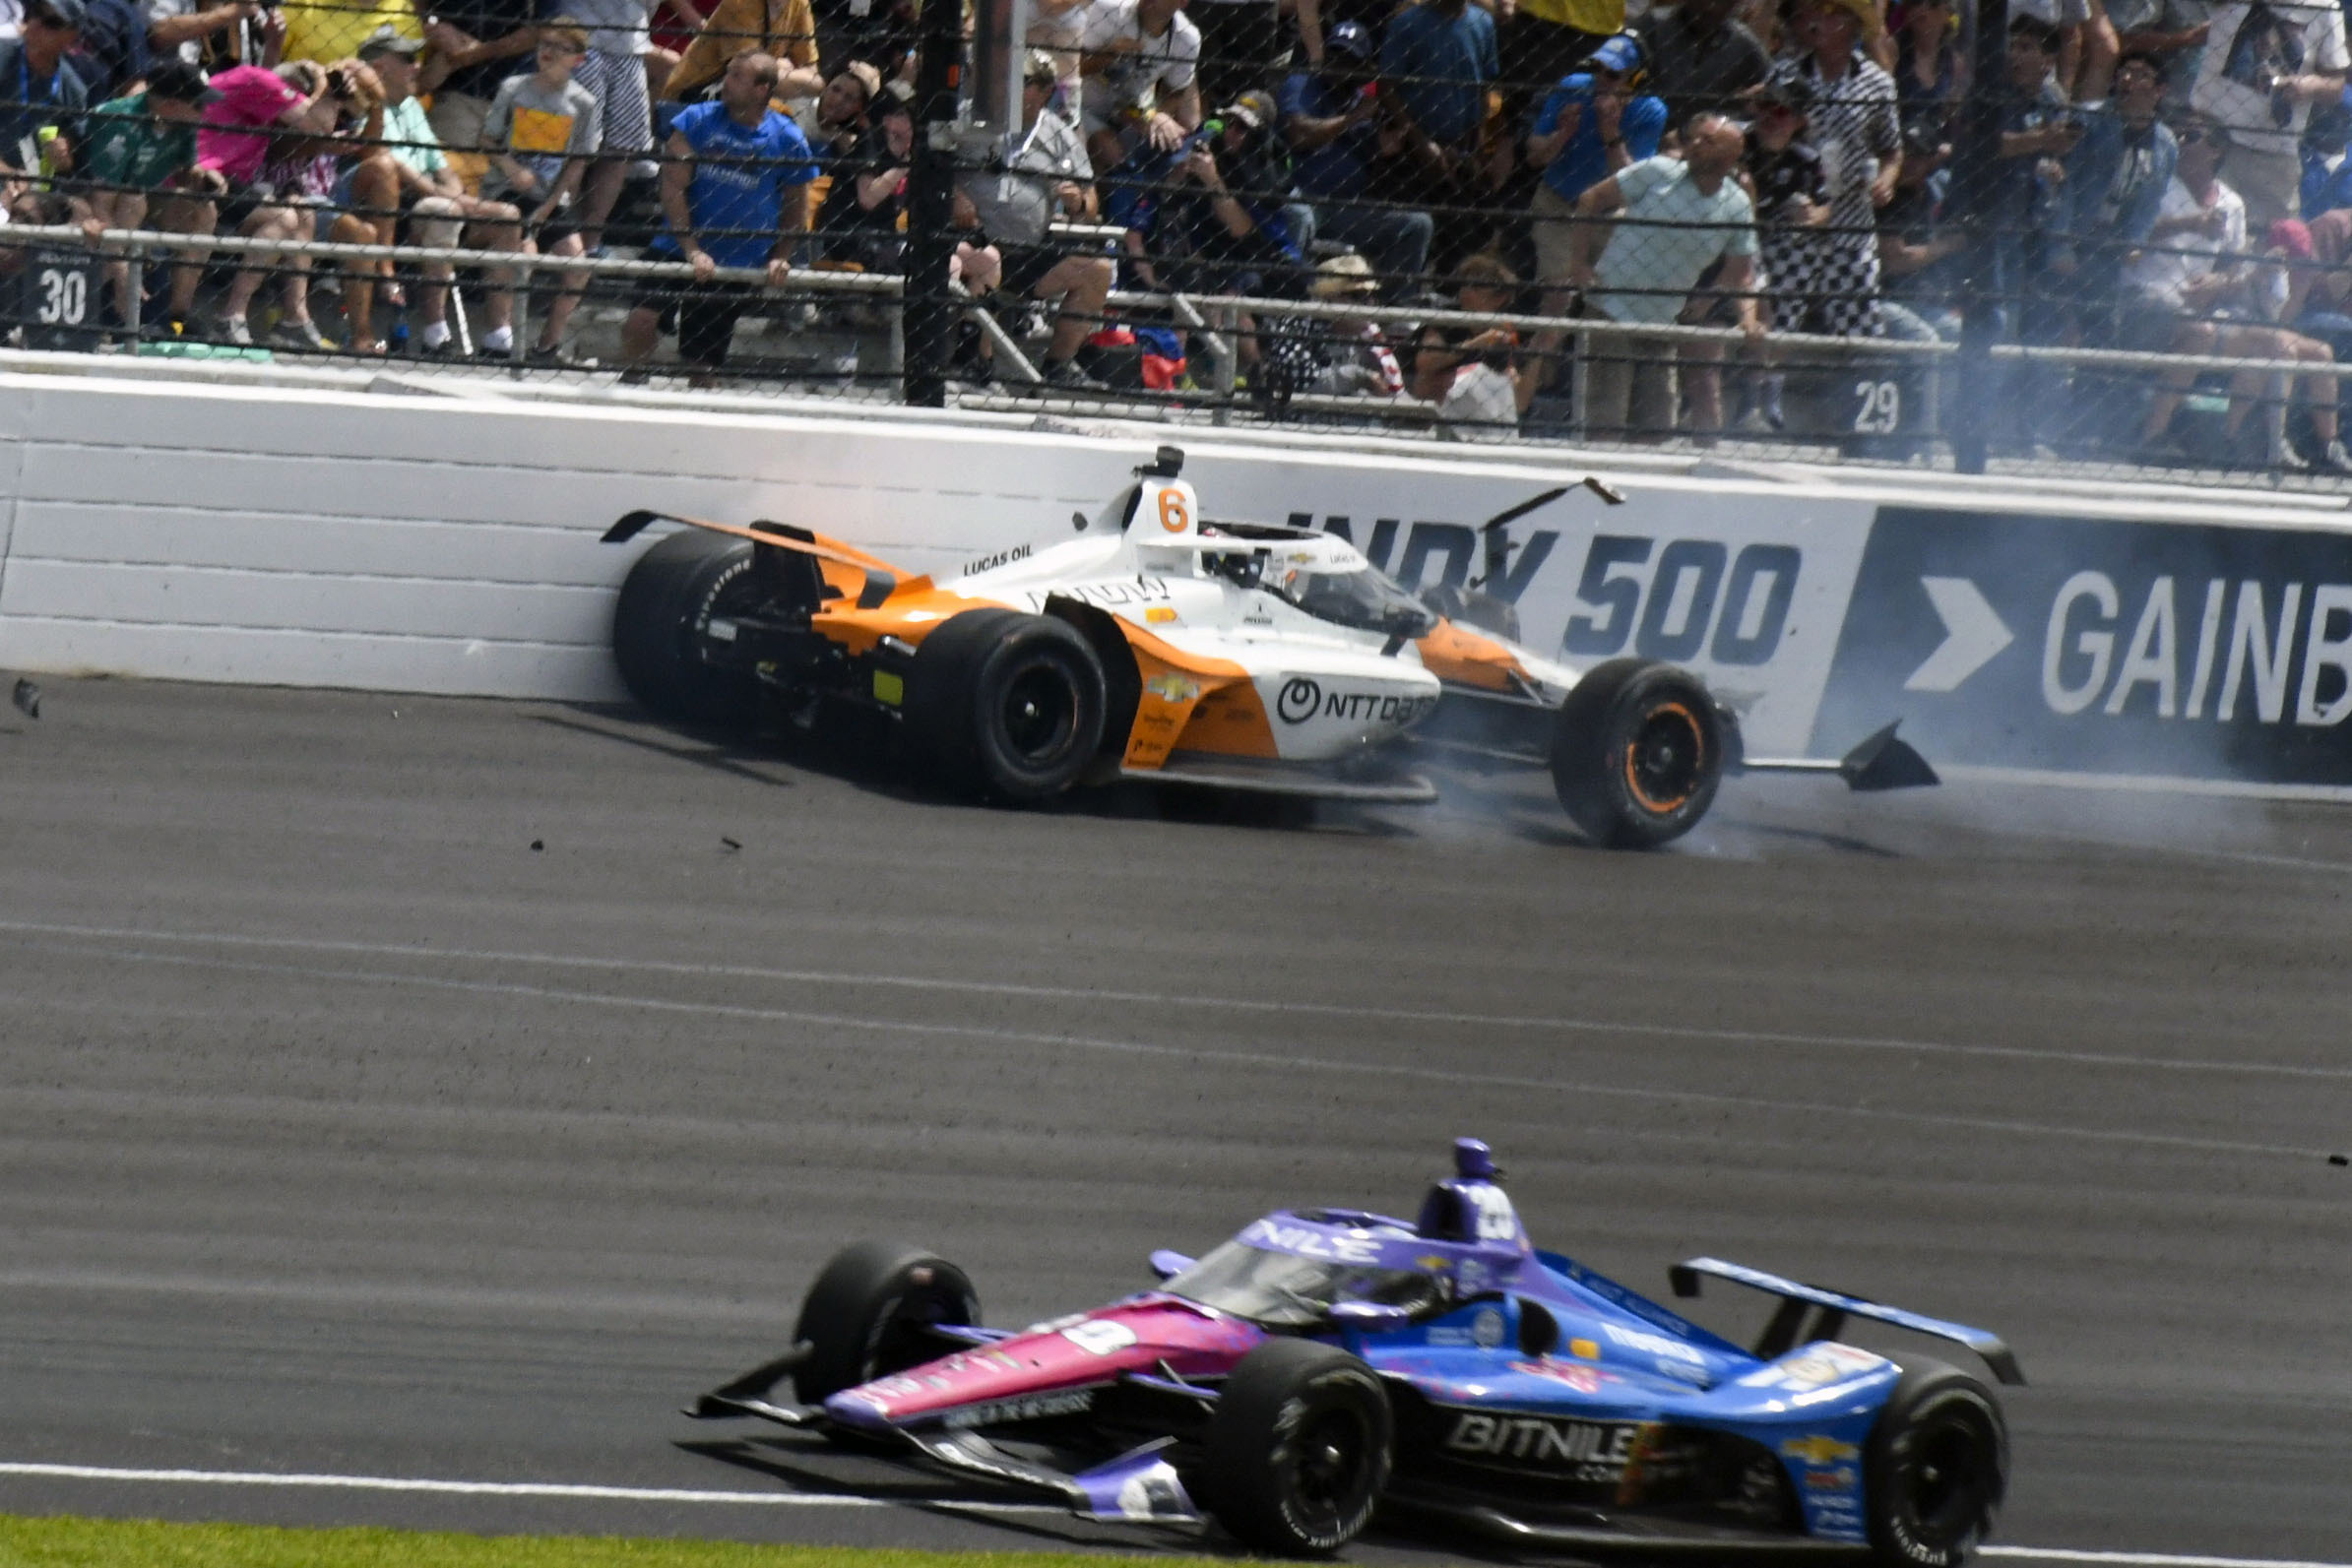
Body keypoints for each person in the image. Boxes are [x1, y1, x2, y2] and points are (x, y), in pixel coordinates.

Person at [620, 49, 814, 385]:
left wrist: (781, 257)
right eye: (729, 73)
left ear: (761, 89)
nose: (727, 82)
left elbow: (797, 206)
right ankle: (634, 383)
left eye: (738, 76)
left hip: (737, 256)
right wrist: (692, 249)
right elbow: (672, 188)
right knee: (641, 320)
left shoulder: (788, 138)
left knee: (701, 363)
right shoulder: (696, 120)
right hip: (676, 245)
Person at [1565, 111, 1763, 437]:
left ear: (1730, 156)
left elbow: (1740, 272)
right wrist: (1578, 264)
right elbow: (1592, 199)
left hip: (1662, 324)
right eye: (1695, 137)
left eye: (1708, 141)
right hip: (1611, 310)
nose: (1695, 144)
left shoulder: (1737, 204)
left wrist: (1749, 318)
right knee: (1605, 420)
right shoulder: (1657, 172)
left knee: (1657, 427)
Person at [957, 49, 1113, 390]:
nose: (1011, 87)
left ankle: (1059, 367)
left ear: (1045, 91)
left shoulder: (1060, 134)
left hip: (1028, 248)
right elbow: (932, 168)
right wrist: (954, 194)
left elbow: (1091, 203)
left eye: (1024, 82)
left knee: (1098, 269)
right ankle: (975, 364)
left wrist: (1077, 204)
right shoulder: (971, 117)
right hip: (971, 239)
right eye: (1008, 78)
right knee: (987, 259)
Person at [1279, 19, 1431, 291]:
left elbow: (1378, 150)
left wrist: (1385, 146)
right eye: (1334, 55)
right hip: (1301, 196)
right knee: (1299, 217)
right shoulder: (1302, 83)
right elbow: (1299, 134)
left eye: (1348, 60)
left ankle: (1398, 313)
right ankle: (1285, 304)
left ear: (1361, 68)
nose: (1338, 66)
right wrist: (1354, 117)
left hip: (1346, 207)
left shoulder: (1364, 98)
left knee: (1417, 224)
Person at [1777, 0, 1899, 340]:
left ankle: (1857, 388)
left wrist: (1887, 180)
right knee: (1778, 320)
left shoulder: (1877, 84)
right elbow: (1767, 140)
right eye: (1815, 10)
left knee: (1859, 326)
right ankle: (1765, 391)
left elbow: (1891, 150)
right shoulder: (1787, 73)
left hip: (1851, 221)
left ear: (1850, 23)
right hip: (1795, 217)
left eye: (1829, 12)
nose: (1817, 17)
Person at [481, 19, 600, 359]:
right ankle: (499, 336)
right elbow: (487, 140)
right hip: (506, 190)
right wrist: (512, 167)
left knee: (578, 264)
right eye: (544, 44)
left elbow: (578, 160)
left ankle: (548, 343)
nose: (547, 53)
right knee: (522, 257)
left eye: (559, 47)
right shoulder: (515, 88)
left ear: (578, 59)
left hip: (548, 197)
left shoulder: (583, 103)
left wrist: (549, 205)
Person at [78, 54, 220, 331]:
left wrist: (200, 177)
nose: (205, 111)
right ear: (170, 104)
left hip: (146, 192)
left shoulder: (183, 123)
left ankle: (177, 317)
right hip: (92, 195)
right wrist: (123, 273)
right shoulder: (119, 119)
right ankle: (119, 305)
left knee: (203, 211)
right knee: (132, 201)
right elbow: (100, 199)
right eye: (199, 105)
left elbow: (184, 170)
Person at [2190, 0, 2346, 229]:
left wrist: (2309, 86)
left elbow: (2336, 84)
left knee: (2267, 242)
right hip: (2207, 133)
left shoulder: (2325, 6)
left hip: (2272, 149)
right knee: (2196, 229)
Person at [1379, 0, 1505, 220]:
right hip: (1415, 149)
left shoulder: (1483, 22)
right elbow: (1386, 88)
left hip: (1464, 146)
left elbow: (1486, 85)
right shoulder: (1407, 24)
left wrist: (1479, 146)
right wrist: (1422, 143)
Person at [1077, 0, 1202, 173]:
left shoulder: (1187, 38)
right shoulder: (1109, 8)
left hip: (1133, 111)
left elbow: (1176, 92)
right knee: (1109, 149)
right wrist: (1109, 54)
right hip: (1082, 104)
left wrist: (1158, 116)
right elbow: (1074, 68)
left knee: (1177, 148)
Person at [813, 79, 910, 273]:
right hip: (851, 236)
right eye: (905, 114)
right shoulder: (871, 141)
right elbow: (868, 198)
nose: (915, 121)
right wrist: (905, 165)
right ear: (887, 120)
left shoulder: (911, 151)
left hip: (886, 237)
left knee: (979, 257)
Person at [1631, 0, 1769, 134]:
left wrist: (1750, 98)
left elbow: (1772, 83)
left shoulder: (1742, 41)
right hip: (1643, 130)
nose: (1711, 7)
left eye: (1723, 2)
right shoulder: (1654, 24)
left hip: (1705, 140)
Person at [415, 0, 540, 149]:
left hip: (519, 95)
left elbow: (546, 27)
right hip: (457, 90)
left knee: (518, 166)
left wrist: (477, 52)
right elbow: (417, 9)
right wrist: (432, 28)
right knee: (454, 165)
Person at [659, 0, 819, 102]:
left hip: (751, 99)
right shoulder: (739, 3)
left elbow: (815, 80)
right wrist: (783, 65)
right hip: (691, 96)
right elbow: (747, 75)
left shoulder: (800, 4)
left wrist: (770, 68)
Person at [0, 0, 91, 178]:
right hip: (5, 177)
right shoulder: (3, 56)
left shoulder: (73, 88)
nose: (36, 23)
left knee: (79, 207)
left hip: (35, 182)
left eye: (51, 22)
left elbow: (69, 160)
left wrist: (63, 154)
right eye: (36, 13)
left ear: (71, 37)